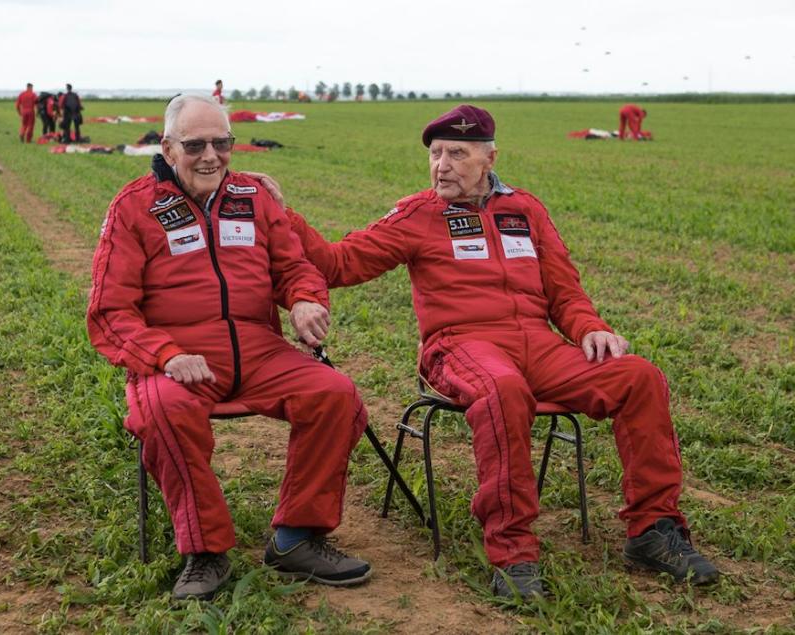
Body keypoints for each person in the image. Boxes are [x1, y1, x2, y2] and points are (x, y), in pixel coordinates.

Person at [282, 105, 718, 599]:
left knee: (639, 376)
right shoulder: (417, 214)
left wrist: (591, 328)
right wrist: (284, 216)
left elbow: (565, 293)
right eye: (435, 154)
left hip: (540, 347)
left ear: (490, 157)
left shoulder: (525, 210)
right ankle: (513, 555)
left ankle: (653, 530)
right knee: (502, 388)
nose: (442, 165)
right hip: (460, 347)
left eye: (457, 154)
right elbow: (338, 264)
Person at [86, 94, 371, 602]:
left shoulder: (253, 197)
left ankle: (296, 538)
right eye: (195, 145)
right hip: (175, 360)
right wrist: (166, 355)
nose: (211, 156)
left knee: (335, 394)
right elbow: (111, 312)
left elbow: (294, 267)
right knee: (164, 414)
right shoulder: (133, 208)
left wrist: (304, 302)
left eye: (222, 143)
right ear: (168, 148)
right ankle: (205, 552)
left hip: (260, 352)